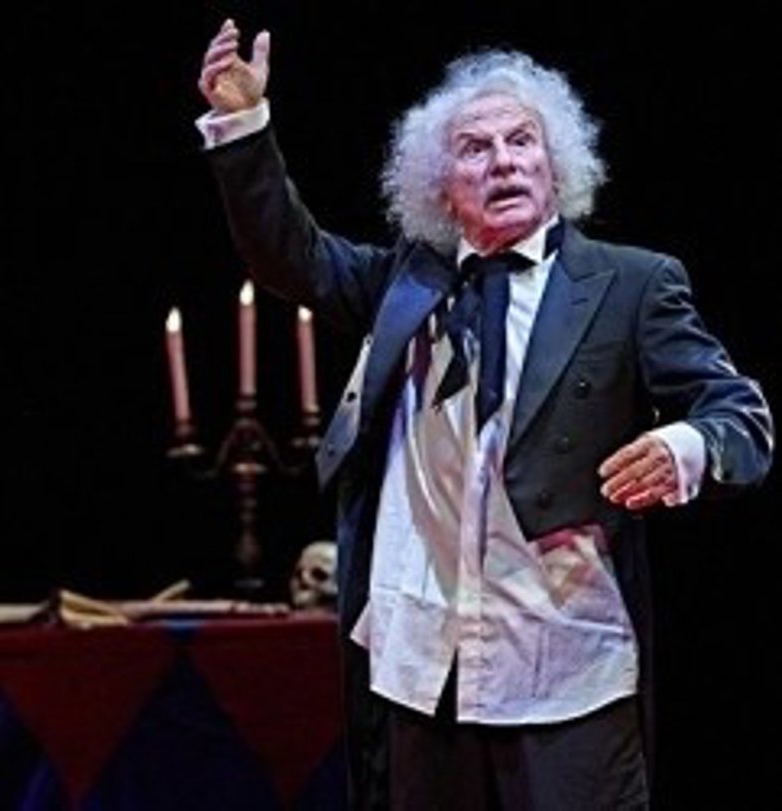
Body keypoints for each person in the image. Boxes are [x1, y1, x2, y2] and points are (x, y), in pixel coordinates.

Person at [196, 18, 773, 810]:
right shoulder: (406, 283)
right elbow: (288, 253)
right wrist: (243, 127)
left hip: (562, 669)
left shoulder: (632, 285)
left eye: (521, 141)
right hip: (419, 668)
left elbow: (739, 412)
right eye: (475, 148)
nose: (503, 161)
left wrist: (687, 446)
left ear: (555, 163)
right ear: (440, 188)